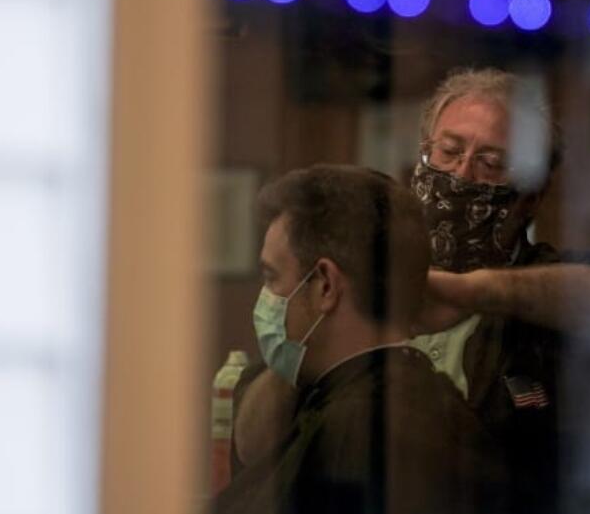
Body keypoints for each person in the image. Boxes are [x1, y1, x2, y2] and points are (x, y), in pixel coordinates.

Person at [234, 68, 590, 513]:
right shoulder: (366, 280)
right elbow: (253, 445)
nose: (462, 173)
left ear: (531, 195)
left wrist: (464, 290)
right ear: (421, 161)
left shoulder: (550, 288)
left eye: (491, 163)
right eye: (448, 152)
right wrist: (311, 333)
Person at [215, 164, 508, 514]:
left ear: (325, 284)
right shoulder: (417, 406)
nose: (266, 298)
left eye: (272, 277)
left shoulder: (362, 434)